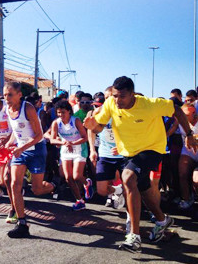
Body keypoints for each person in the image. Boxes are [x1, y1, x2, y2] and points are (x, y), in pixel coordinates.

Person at [84, 76, 198, 253]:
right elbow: (99, 127)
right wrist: (92, 126)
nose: (117, 100)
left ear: (132, 94)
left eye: (122, 96)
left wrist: (189, 134)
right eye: (114, 96)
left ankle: (134, 236)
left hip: (152, 149)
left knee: (128, 178)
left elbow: (176, 110)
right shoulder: (111, 104)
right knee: (143, 190)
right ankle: (162, 220)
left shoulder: (149, 104)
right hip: (129, 153)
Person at [4, 82, 53, 238]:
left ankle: (53, 186)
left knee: (37, 190)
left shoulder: (28, 108)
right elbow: (16, 130)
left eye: (10, 95)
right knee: (14, 183)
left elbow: (39, 135)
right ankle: (22, 223)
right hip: (21, 152)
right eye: (5, 95)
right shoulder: (8, 109)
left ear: (19, 95)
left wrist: (21, 147)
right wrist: (9, 142)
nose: (7, 98)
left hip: (36, 149)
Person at [50, 100, 93, 211]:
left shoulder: (76, 121)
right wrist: (63, 143)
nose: (61, 115)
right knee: (68, 177)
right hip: (66, 150)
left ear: (69, 111)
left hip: (79, 149)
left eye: (63, 112)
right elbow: (52, 139)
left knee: (77, 176)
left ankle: (87, 182)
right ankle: (80, 201)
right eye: (58, 112)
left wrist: (72, 143)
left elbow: (85, 137)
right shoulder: (56, 123)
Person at [88, 87, 125, 209]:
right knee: (101, 190)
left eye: (111, 97)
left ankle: (130, 217)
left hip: (123, 154)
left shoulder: (123, 112)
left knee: (128, 185)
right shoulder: (98, 112)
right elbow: (92, 131)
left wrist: (122, 147)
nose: (108, 100)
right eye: (106, 98)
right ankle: (117, 191)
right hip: (105, 153)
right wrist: (92, 149)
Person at [177, 104, 198, 210]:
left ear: (194, 114)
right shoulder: (180, 122)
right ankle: (187, 198)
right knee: (182, 174)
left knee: (197, 180)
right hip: (188, 152)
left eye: (186, 115)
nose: (182, 117)